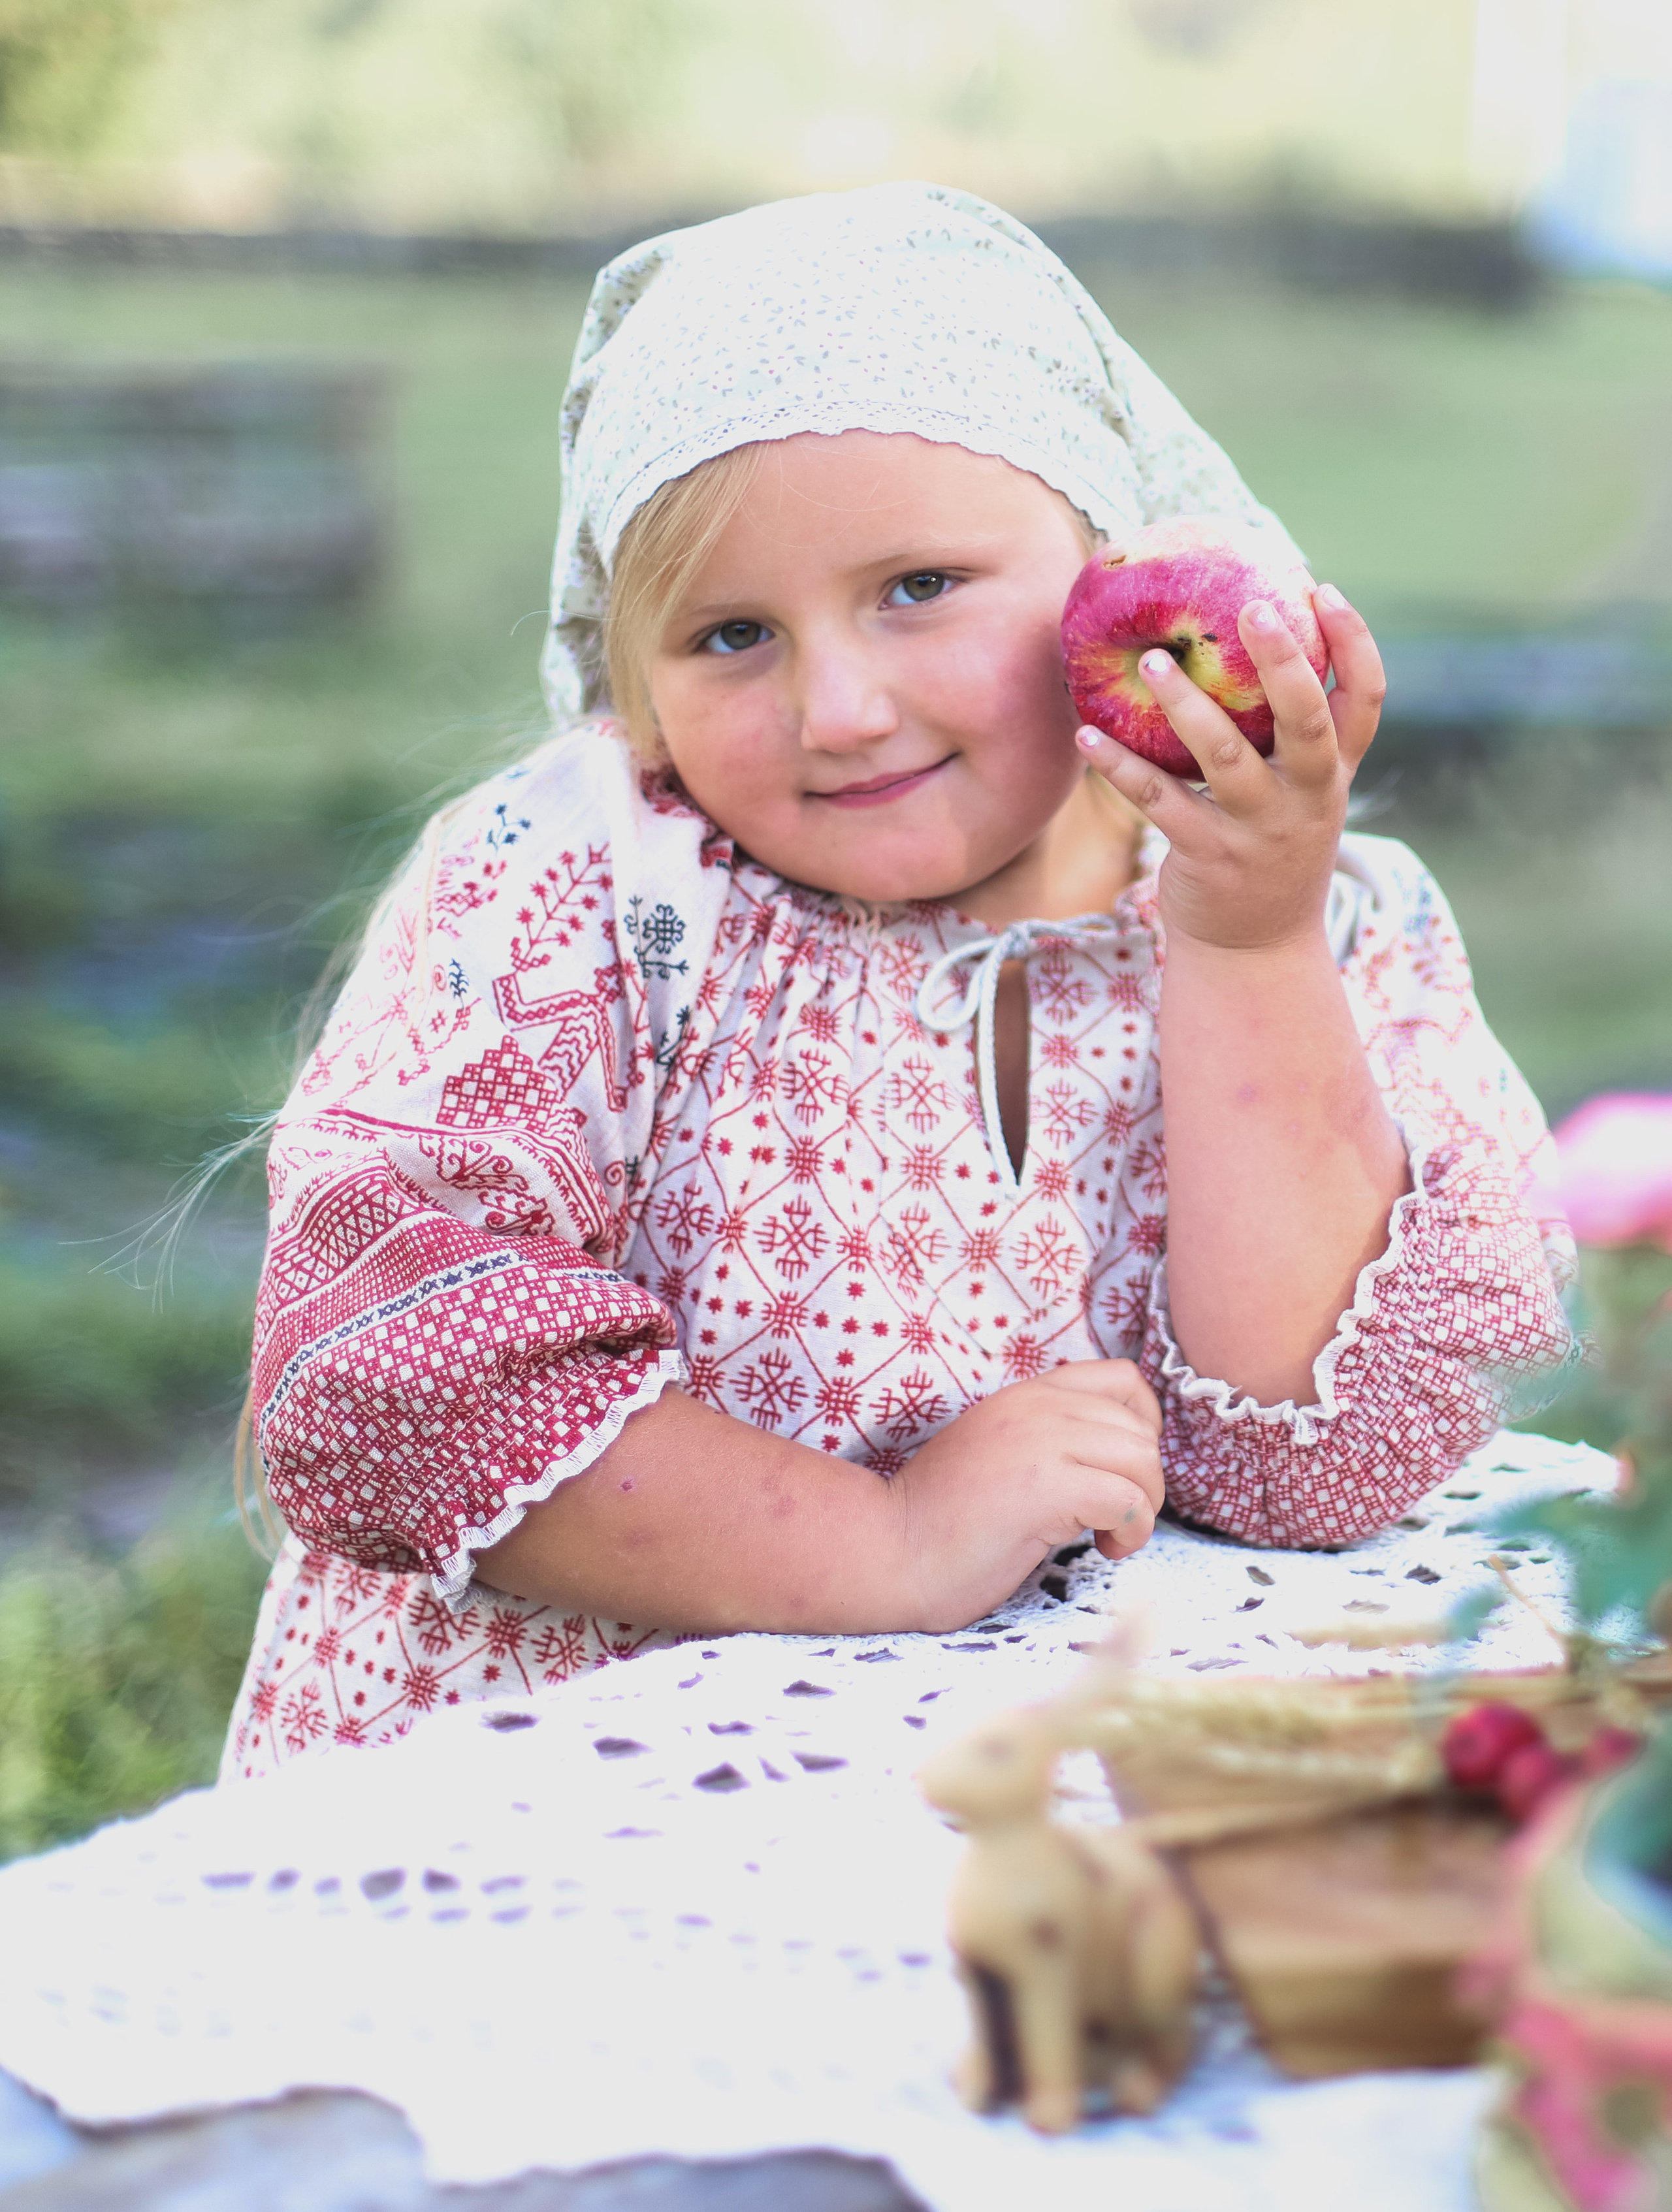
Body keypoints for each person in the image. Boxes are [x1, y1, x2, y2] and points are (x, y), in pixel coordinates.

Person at [222, 183, 1573, 1781]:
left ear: (1108, 575)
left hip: (1017, 1838)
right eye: (730, 634)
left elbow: (1325, 1462)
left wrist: (1243, 937)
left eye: (919, 586)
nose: (840, 708)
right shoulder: (595, 887)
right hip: (564, 1807)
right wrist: (884, 1536)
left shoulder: (1326, 922)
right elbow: (383, 1368)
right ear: (630, 674)